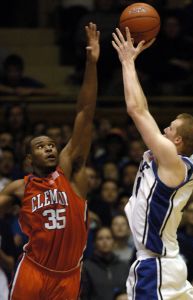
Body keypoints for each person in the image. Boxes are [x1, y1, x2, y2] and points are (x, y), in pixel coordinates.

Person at [0, 22, 100, 300]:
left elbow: (85, 111)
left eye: (52, 145)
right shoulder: (19, 188)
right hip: (33, 269)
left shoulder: (70, 173)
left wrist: (91, 63)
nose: (50, 149)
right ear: (30, 158)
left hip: (68, 274)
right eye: (41, 146)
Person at [112, 27, 193, 299]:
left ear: (177, 141)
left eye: (170, 128)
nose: (163, 129)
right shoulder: (178, 161)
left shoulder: (170, 160)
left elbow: (136, 109)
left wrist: (127, 61)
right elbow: (143, 107)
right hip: (163, 262)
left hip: (157, 265)